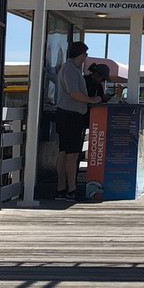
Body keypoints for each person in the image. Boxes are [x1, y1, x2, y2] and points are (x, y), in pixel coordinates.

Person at [55, 41, 101, 202]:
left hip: (65, 114)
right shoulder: (70, 70)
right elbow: (74, 93)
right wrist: (91, 100)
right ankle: (71, 190)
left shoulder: (69, 69)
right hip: (70, 115)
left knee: (63, 153)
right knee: (72, 154)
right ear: (80, 54)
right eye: (85, 54)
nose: (86, 58)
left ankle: (61, 189)